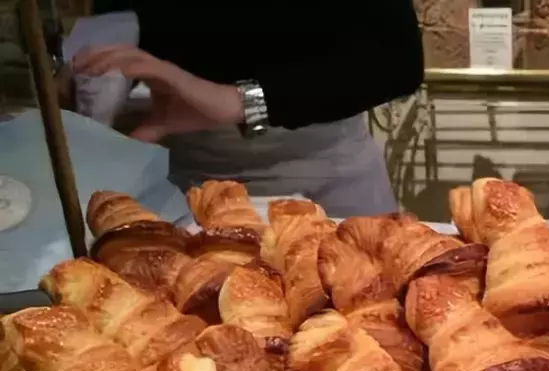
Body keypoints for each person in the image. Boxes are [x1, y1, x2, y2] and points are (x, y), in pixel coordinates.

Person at [69, 2, 424, 217]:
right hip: (186, 182)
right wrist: (102, 62)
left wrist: (240, 101)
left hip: (329, 175)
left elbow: (397, 62)